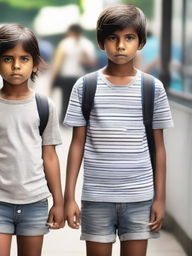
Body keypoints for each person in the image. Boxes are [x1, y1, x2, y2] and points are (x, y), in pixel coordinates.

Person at [64, 4, 173, 256]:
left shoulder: (152, 88)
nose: (121, 45)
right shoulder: (85, 86)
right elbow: (77, 144)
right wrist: (69, 197)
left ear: (141, 42)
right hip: (96, 198)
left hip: (140, 197)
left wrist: (160, 198)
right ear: (101, 43)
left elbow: (158, 148)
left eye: (129, 38)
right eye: (113, 38)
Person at [0, 24, 64, 256]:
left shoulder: (44, 106)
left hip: (35, 202)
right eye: (8, 59)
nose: (16, 66)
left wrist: (58, 202)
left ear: (35, 62)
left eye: (24, 58)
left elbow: (49, 156)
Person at [50, 24, 96, 122]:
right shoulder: (87, 44)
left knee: (66, 99)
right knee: (80, 100)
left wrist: (52, 78)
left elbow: (59, 63)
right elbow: (92, 62)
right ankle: (80, 120)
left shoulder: (65, 43)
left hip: (66, 76)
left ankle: (65, 119)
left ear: (71, 31)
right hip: (81, 77)